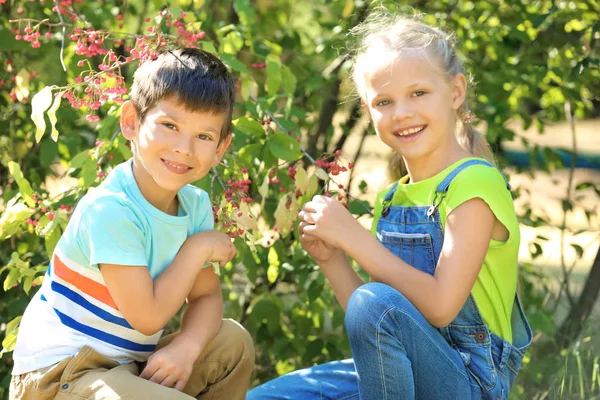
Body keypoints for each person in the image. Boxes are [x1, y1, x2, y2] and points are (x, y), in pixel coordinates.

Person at [247, 12, 532, 400]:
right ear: (368, 112)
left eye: (418, 93)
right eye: (384, 101)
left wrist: (355, 237)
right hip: (402, 376)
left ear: (455, 92)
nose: (402, 113)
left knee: (375, 302)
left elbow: (440, 307)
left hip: (472, 384)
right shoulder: (392, 198)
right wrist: (333, 260)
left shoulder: (474, 183)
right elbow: (374, 326)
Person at [10, 48, 254, 400]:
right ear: (131, 122)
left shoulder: (195, 205)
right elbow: (148, 317)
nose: (184, 148)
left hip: (124, 368)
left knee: (231, 343)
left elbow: (205, 295)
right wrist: (198, 247)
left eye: (204, 136)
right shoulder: (112, 209)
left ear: (221, 147)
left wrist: (187, 345)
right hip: (59, 376)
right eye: (170, 126)